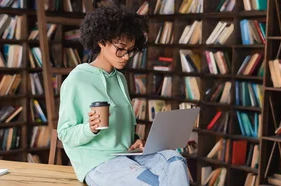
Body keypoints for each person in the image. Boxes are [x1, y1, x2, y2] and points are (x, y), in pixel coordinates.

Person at [56, 4, 191, 186]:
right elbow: (64, 133)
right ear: (101, 41)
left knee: (174, 160)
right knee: (154, 183)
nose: (126, 56)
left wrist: (136, 142)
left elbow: (122, 129)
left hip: (127, 155)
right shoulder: (77, 79)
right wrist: (90, 128)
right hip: (99, 162)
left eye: (130, 50)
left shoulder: (119, 78)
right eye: (120, 48)